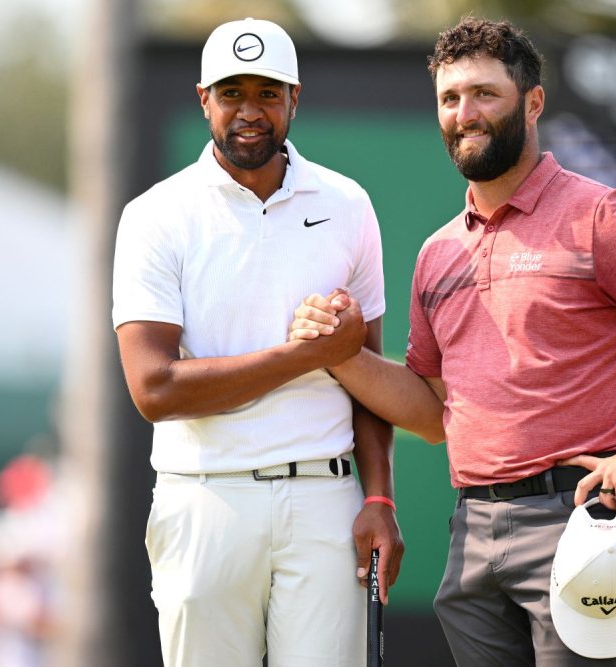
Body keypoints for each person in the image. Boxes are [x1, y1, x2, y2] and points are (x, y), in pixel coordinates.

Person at [288, 17, 616, 667]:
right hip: (475, 532)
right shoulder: (438, 252)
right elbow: (430, 409)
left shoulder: (599, 215)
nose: (464, 113)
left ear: (533, 103)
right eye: (450, 98)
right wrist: (340, 356)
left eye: (484, 94)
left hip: (586, 518)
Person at [111, 18, 403, 667]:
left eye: (268, 93)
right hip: (203, 495)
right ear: (203, 99)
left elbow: (372, 378)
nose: (250, 111)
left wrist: (379, 496)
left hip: (324, 497)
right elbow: (154, 388)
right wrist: (302, 357)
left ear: (295, 98)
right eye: (232, 92)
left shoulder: (348, 205)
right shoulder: (156, 216)